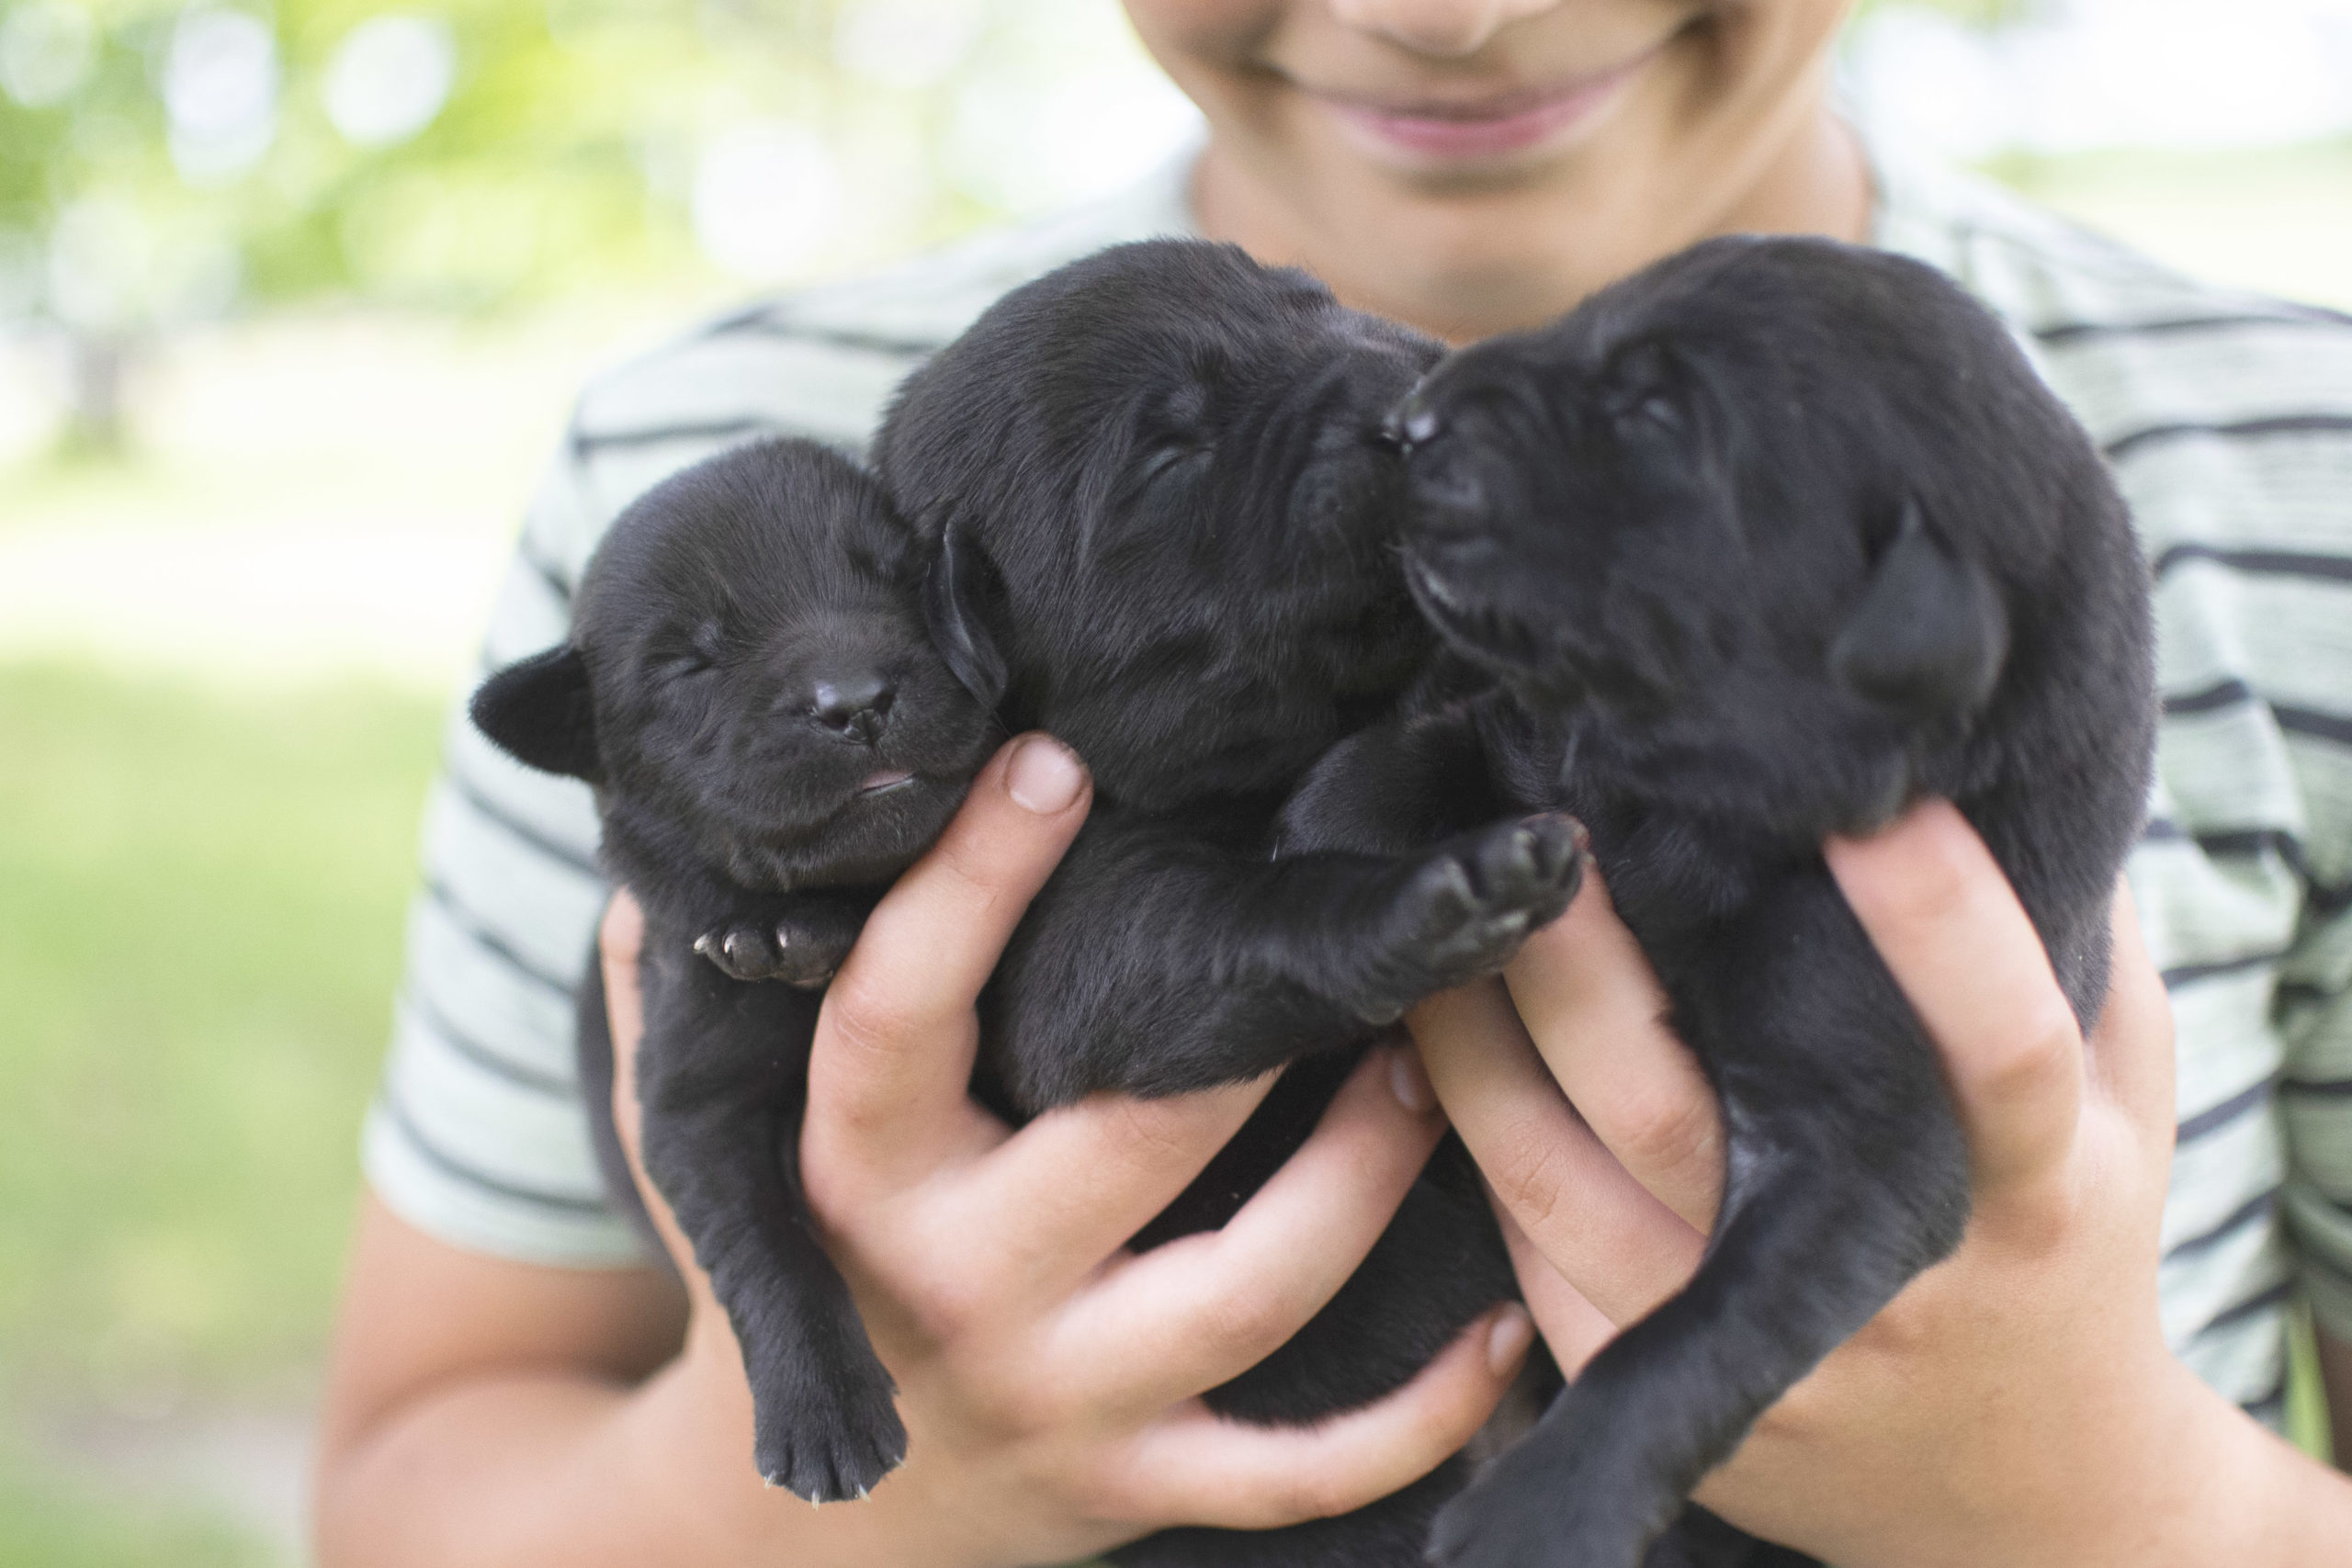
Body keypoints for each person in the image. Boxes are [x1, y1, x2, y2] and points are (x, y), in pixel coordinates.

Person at [311, 1, 2352, 1562]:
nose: (1450, 10)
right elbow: (414, 1469)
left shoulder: (2297, 475)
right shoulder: (715, 495)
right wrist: (828, 1477)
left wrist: (2095, 1480)